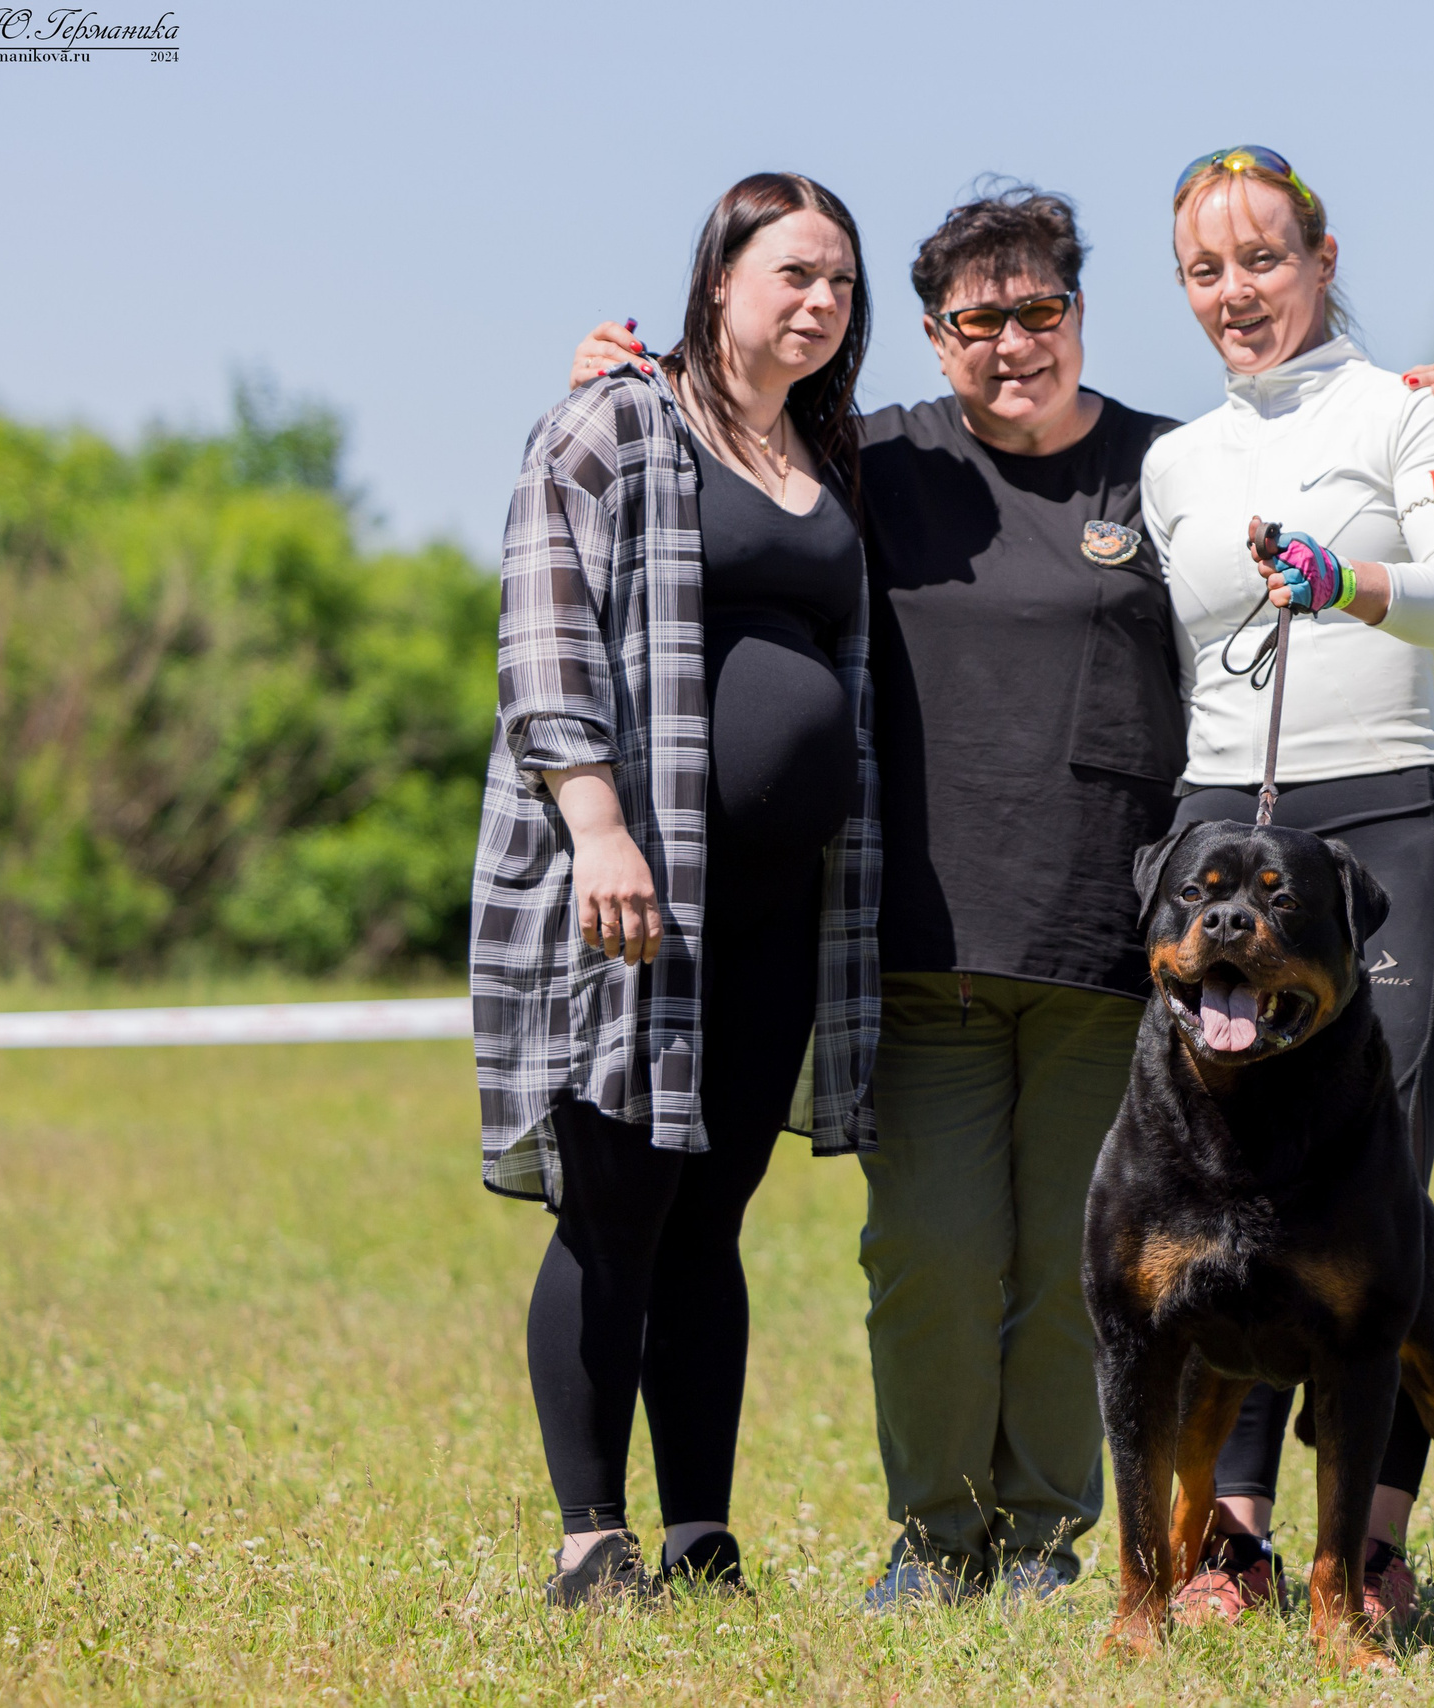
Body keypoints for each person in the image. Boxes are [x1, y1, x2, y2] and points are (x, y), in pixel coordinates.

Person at [565, 185, 1434, 1608]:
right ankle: (936, 1539)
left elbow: (1296, 466)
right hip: (918, 943)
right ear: (933, 337)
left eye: (1040, 310)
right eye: (974, 321)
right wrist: (638, 379)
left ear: (1079, 313)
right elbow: (731, 441)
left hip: (1106, 952)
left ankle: (1051, 1539)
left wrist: (1399, 406)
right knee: (926, 1255)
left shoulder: (1159, 466)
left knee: (1077, 1268)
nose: (1012, 343)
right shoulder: (865, 458)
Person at [474, 171, 882, 1607]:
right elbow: (546, 628)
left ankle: (701, 1538)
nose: (819, 301)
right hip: (638, 888)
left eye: (839, 280)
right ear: (719, 280)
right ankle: (592, 1541)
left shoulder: (830, 449)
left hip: (782, 908)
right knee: (618, 1202)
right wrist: (597, 826)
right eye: (793, 273)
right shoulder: (617, 419)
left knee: (711, 1217)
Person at [1139, 145, 1434, 1636]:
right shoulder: (1174, 461)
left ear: (1323, 258)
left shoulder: (1410, 412)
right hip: (1222, 823)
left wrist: (1349, 580)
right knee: (1214, 1180)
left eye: (1264, 259)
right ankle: (1230, 1543)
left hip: (1381, 819)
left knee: (1375, 1185)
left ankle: (1375, 1543)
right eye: (1205, 269)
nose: (1236, 291)